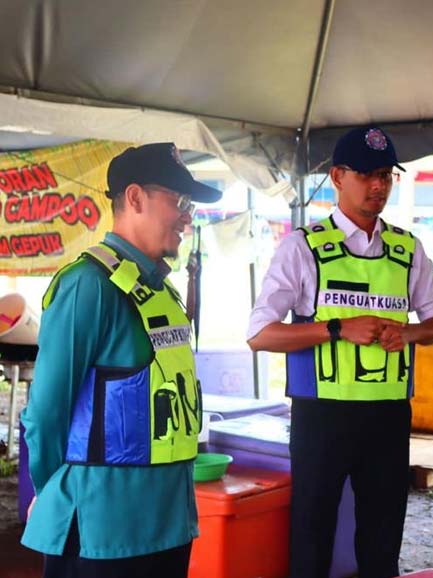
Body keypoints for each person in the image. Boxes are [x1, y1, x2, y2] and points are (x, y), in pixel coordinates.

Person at [247, 125, 433, 578]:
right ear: (337, 176)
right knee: (312, 535)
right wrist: (337, 328)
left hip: (388, 415)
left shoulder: (407, 250)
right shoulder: (304, 247)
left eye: (385, 175)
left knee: (383, 538)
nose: (378, 186)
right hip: (322, 415)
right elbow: (260, 333)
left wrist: (409, 334)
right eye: (366, 175)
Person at [21, 143, 222, 578]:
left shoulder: (160, 292)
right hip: (103, 533)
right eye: (179, 201)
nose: (188, 216)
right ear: (134, 198)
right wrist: (54, 491)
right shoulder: (88, 286)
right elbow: (45, 414)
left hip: (169, 525)